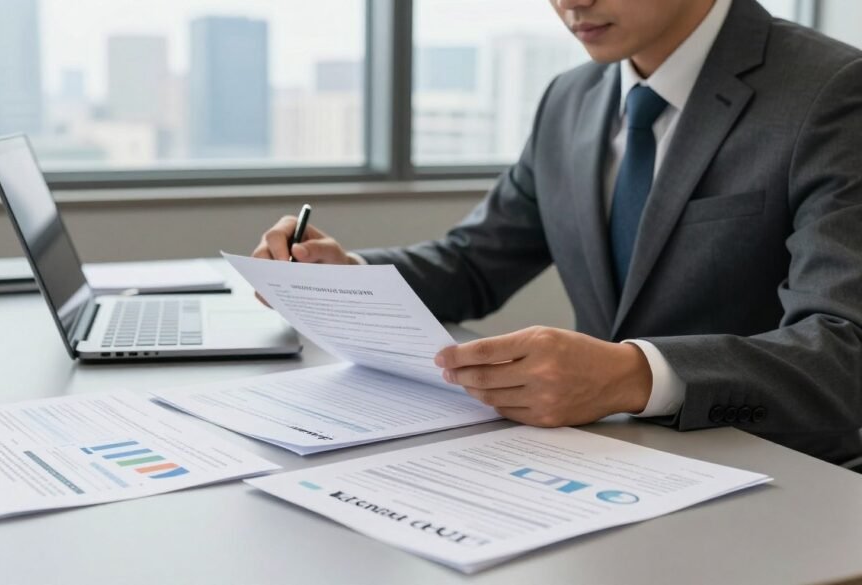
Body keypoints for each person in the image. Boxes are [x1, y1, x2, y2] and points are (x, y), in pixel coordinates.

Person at [252, 0, 862, 465]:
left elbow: (845, 349)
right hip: (609, 466)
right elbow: (474, 264)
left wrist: (631, 375)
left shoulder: (833, 90)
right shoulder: (571, 98)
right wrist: (347, 277)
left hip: (780, 470)